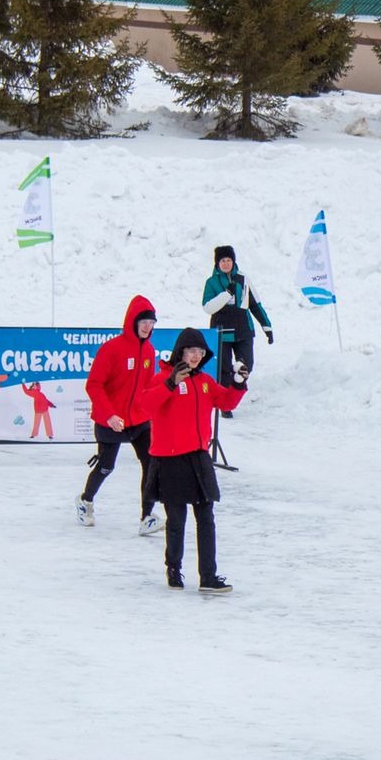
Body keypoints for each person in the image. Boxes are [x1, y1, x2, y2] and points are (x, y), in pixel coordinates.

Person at [136, 328, 246, 592]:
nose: (196, 356)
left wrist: (239, 384)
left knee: (206, 517)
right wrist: (171, 383)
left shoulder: (204, 381)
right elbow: (145, 406)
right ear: (180, 353)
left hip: (199, 457)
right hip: (170, 458)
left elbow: (226, 402)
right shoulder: (162, 378)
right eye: (191, 351)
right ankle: (173, 568)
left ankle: (208, 576)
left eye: (200, 352)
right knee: (177, 519)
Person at [77, 295, 164, 535]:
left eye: (152, 323)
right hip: (110, 420)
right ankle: (85, 501)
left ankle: (147, 516)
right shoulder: (112, 349)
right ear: (133, 322)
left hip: (138, 420)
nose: (148, 327)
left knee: (150, 464)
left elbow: (147, 388)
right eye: (144, 322)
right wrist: (109, 415)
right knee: (106, 466)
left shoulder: (149, 351)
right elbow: (94, 385)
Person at [201, 244, 273, 405]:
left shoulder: (243, 278)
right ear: (217, 263)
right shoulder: (211, 282)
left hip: (243, 330)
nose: (226, 263)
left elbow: (255, 304)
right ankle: (226, 403)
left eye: (229, 260)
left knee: (246, 365)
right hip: (222, 332)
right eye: (222, 261)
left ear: (233, 261)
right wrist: (227, 294)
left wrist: (266, 326)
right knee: (224, 370)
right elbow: (207, 307)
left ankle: (237, 386)